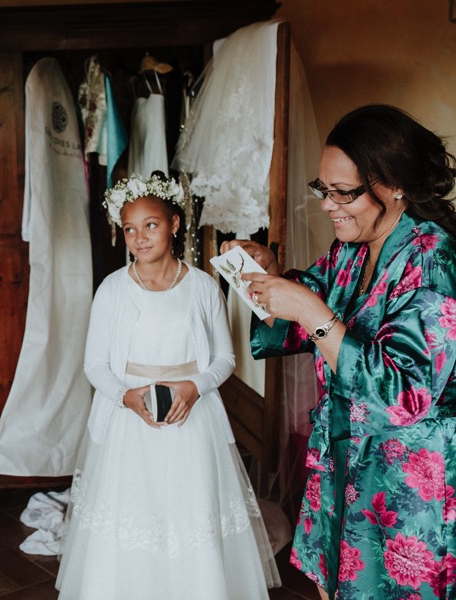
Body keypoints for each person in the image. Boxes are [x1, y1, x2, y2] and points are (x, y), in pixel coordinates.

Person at [227, 105, 456, 599]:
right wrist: (265, 276)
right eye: (323, 190)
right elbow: (292, 324)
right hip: (343, 462)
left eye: (344, 192)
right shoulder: (349, 250)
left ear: (394, 185)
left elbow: (406, 395)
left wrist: (312, 312)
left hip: (405, 484)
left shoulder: (432, 261)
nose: (329, 205)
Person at [55, 172, 279, 599]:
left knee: (189, 512)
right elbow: (94, 364)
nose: (140, 238)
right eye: (130, 229)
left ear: (175, 224)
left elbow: (225, 359)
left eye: (151, 225)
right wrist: (125, 396)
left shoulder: (201, 287)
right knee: (134, 513)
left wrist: (195, 386)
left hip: (191, 419)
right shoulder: (112, 290)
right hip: (130, 422)